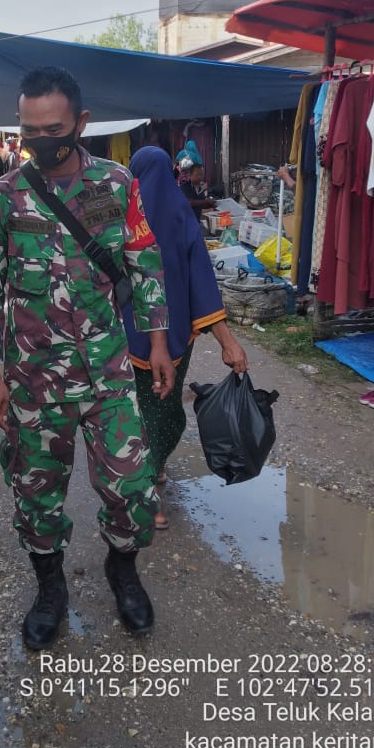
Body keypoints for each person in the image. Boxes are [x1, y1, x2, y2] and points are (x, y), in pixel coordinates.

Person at [0, 66, 174, 651]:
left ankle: (123, 569)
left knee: (132, 489)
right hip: (33, 381)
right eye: (28, 130)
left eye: (52, 128)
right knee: (36, 496)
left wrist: (157, 343)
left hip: (108, 373)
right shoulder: (0, 200)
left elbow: (144, 261)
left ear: (81, 123)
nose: (40, 140)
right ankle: (50, 587)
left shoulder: (114, 184)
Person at [123, 147, 248, 531]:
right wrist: (227, 341)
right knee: (154, 412)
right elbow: (203, 284)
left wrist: (228, 341)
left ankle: (152, 471)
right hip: (163, 336)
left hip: (137, 335)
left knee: (151, 413)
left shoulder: (127, 216)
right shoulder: (179, 214)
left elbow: (200, 282)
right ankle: (149, 487)